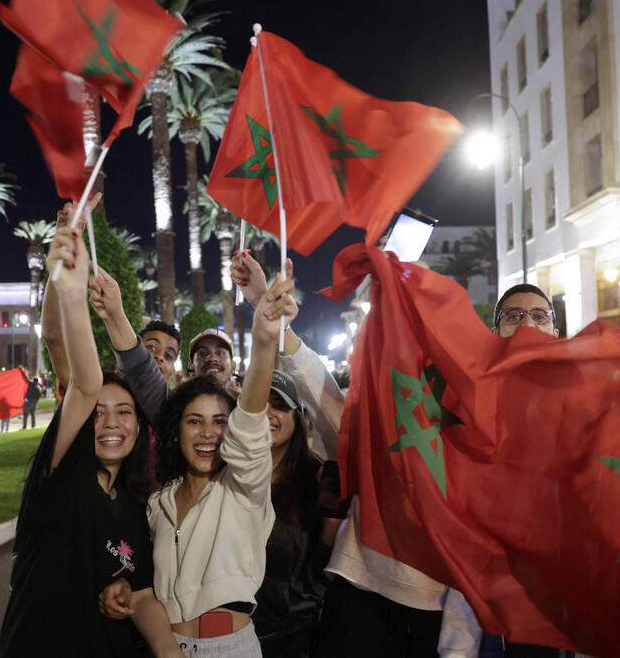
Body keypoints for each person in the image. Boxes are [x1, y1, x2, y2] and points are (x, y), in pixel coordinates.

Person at [232, 251, 481, 658]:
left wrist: (461, 636)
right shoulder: (381, 408)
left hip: (436, 609)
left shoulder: (482, 421)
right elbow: (325, 401)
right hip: (358, 593)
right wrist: (273, 317)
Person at [0, 223, 181, 658]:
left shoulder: (140, 505)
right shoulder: (59, 476)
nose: (112, 424)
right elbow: (82, 381)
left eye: (124, 413)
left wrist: (123, 592)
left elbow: (140, 591)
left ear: (142, 426)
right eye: (98, 414)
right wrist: (72, 293)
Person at [102, 269, 298, 656]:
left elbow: (249, 431)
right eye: (194, 421)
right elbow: (149, 588)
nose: (208, 433)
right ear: (174, 431)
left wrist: (263, 344)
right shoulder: (159, 502)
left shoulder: (244, 487)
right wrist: (125, 591)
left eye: (220, 422)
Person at [252, 370, 334, 656]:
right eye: (259, 403)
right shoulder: (226, 474)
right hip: (233, 631)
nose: (268, 413)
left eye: (279, 405)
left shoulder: (316, 478)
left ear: (297, 417)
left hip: (292, 634)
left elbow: (326, 558)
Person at [89, 266, 231, 428]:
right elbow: (139, 369)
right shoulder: (172, 409)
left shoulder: (243, 408)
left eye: (221, 352)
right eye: (194, 421)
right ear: (190, 366)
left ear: (233, 366)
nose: (212, 358)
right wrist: (114, 315)